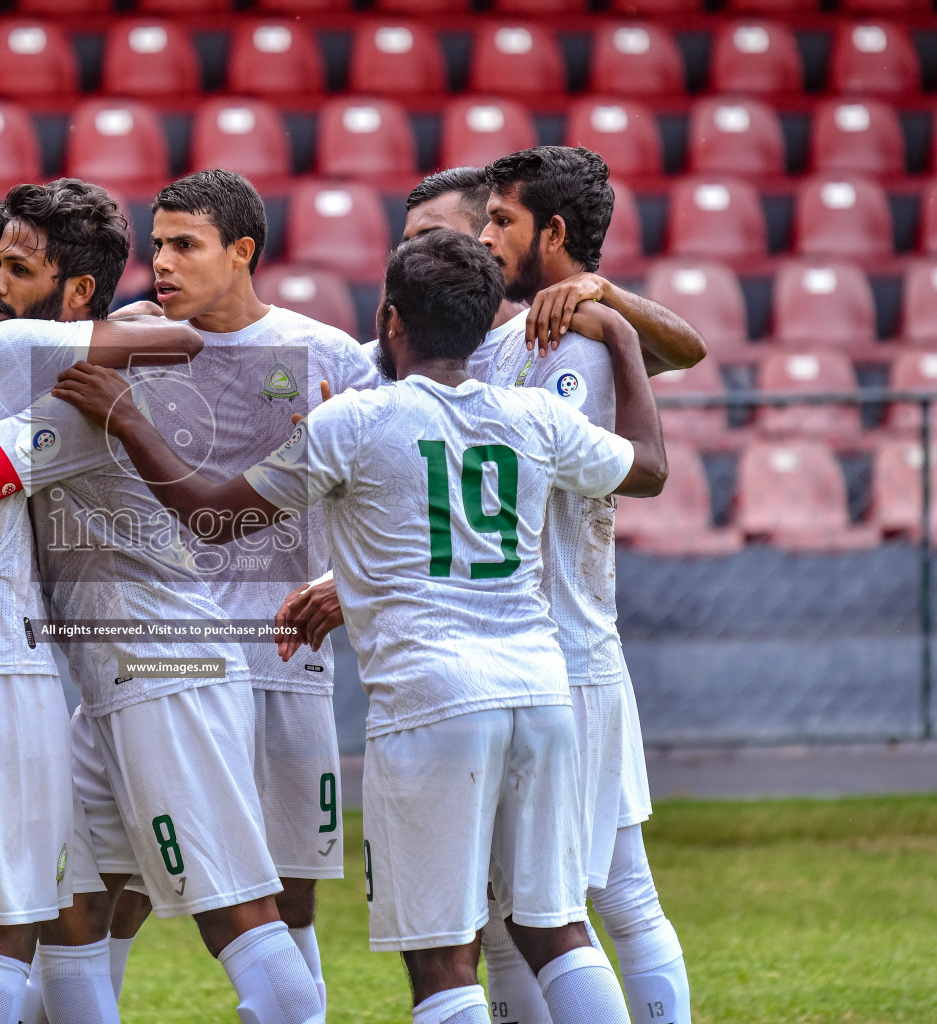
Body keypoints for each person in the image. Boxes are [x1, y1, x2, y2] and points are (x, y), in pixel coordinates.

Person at [49, 227, 669, 1024]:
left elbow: (208, 517)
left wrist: (130, 418)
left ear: (390, 319)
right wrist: (618, 332)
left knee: (443, 959)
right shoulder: (532, 417)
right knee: (555, 928)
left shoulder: (357, 423)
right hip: (541, 693)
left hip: (432, 699)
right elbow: (648, 468)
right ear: (482, 327)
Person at [0, 179, 325, 1024]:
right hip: (109, 684)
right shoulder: (45, 376)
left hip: (169, 670)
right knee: (72, 913)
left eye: (16, 269)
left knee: (235, 914)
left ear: (76, 296)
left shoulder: (78, 399)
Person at [282, 154, 702, 1024]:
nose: (464, 249)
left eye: (470, 231)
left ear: (534, 233)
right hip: (524, 654)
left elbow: (679, 364)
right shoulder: (486, 348)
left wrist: (609, 304)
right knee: (530, 917)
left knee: (598, 900)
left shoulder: (565, 336)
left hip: (559, 646)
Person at [91, 170, 377, 1011]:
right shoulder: (126, 344)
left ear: (242, 252)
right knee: (120, 880)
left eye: (185, 245)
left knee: (290, 886)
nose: (163, 265)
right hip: (159, 660)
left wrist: (340, 583)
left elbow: (390, 484)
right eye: (157, 247)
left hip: (281, 655)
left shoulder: (327, 356)